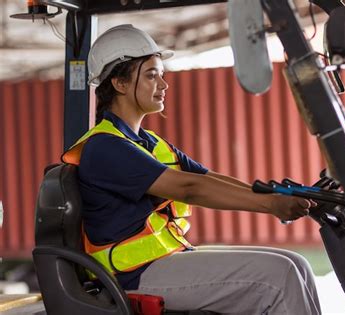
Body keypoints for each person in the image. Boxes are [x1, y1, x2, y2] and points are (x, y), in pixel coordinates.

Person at [62, 24, 321, 315]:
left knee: (296, 263)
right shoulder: (105, 147)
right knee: (279, 275)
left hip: (163, 261)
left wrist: (278, 193)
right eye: (151, 75)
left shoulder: (148, 143)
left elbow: (206, 178)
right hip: (130, 277)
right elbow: (189, 188)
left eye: (162, 74)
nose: (163, 84)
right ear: (120, 84)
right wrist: (270, 205)